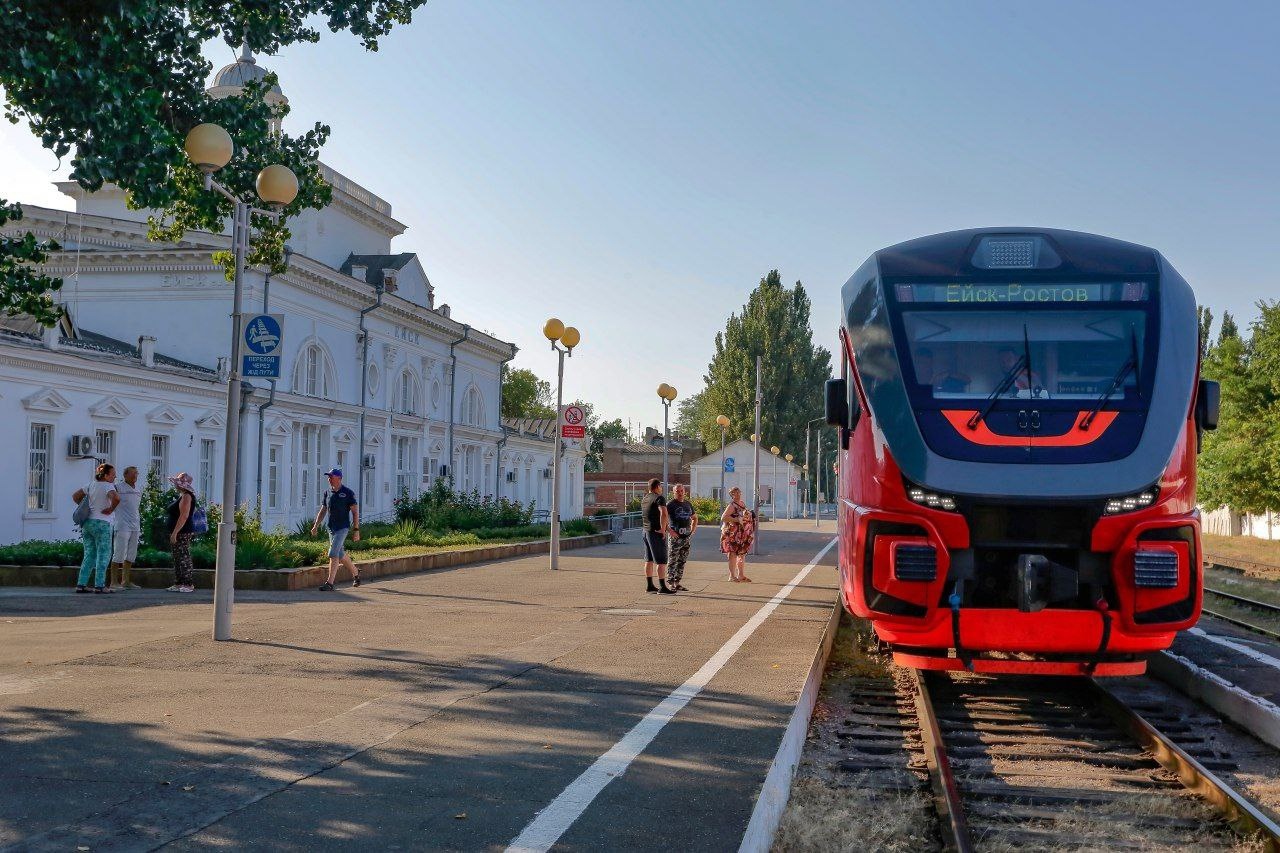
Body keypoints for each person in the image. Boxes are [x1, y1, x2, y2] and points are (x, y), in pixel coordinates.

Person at [311, 467, 361, 592]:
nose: (329, 479)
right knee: (340, 554)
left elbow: (355, 512)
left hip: (342, 528)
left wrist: (356, 530)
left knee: (333, 553)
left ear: (339, 478)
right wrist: (316, 525)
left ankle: (330, 583)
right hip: (331, 528)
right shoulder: (327, 493)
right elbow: (323, 510)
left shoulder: (348, 493)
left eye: (331, 477)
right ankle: (355, 573)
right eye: (328, 477)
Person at [73, 463, 119, 593]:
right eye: (113, 475)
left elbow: (75, 496)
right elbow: (116, 498)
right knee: (103, 554)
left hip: (88, 523)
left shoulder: (91, 485)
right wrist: (110, 509)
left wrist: (85, 506)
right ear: (105, 475)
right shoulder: (108, 486)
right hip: (103, 523)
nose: (114, 477)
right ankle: (100, 585)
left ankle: (81, 584)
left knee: (89, 554)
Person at [109, 466, 143, 590]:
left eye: (136, 473)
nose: (135, 476)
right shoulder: (118, 487)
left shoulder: (138, 489)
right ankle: (113, 582)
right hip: (122, 525)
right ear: (125, 475)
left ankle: (126, 581)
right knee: (118, 553)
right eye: (133, 474)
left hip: (135, 525)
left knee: (131, 555)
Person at [640, 478, 676, 594]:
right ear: (657, 487)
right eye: (660, 487)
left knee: (649, 560)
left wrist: (666, 529)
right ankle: (662, 587)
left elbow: (652, 515)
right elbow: (664, 513)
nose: (661, 489)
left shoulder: (645, 498)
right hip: (656, 533)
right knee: (661, 561)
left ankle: (649, 585)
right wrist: (662, 529)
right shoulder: (659, 498)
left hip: (646, 531)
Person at [165, 472, 198, 593]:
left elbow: (184, 516)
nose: (176, 485)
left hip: (182, 531)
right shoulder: (183, 495)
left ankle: (187, 583)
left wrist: (175, 532)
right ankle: (179, 583)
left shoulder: (186, 496)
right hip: (179, 530)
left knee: (183, 556)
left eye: (178, 483)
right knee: (177, 557)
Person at [665, 484, 697, 591]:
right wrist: (670, 531)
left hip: (686, 538)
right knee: (672, 560)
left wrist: (692, 530)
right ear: (673, 492)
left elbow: (694, 518)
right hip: (675, 539)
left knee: (682, 561)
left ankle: (677, 582)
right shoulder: (670, 504)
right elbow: (662, 519)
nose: (680, 493)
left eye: (681, 490)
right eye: (677, 491)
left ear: (684, 491)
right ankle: (671, 583)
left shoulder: (688, 504)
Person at [720, 486, 755, 583]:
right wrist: (737, 519)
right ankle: (731, 576)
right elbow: (723, 518)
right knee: (732, 554)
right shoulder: (731, 505)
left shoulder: (742, 503)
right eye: (735, 493)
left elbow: (743, 514)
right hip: (732, 533)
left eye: (739, 492)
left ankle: (741, 575)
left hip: (742, 533)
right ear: (731, 495)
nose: (738, 494)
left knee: (741, 554)